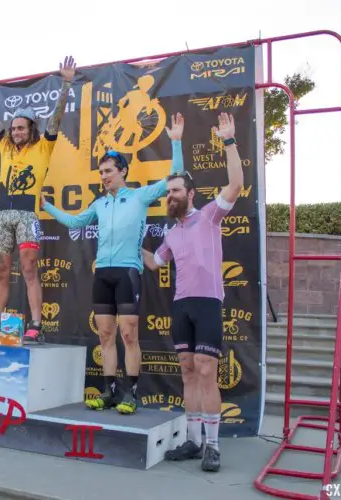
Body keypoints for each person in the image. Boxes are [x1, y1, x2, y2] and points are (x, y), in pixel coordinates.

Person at [41, 112, 187, 415]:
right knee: (105, 335)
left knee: (128, 335)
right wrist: (45, 205)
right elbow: (74, 221)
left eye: (108, 171)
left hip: (128, 272)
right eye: (101, 172)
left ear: (122, 171)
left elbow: (176, 177)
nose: (104, 176)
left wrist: (175, 143)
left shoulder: (140, 196)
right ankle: (109, 391)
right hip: (103, 274)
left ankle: (130, 393)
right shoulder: (100, 203)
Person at [142, 112, 243, 473]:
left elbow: (235, 184)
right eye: (167, 192)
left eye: (175, 191)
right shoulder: (171, 233)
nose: (170, 196)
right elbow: (155, 263)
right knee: (186, 370)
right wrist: (129, 243)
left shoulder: (210, 216)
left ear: (191, 194)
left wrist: (229, 141)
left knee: (206, 371)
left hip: (207, 304)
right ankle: (193, 440)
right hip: (181, 305)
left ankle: (213, 446)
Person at [0, 56, 76, 343]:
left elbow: (56, 116)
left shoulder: (45, 145)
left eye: (22, 127)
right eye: (15, 127)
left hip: (28, 216)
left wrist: (66, 83)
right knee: (2, 270)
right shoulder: (5, 146)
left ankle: (35, 323)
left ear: (32, 128)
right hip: (3, 216)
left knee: (30, 268)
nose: (17, 131)